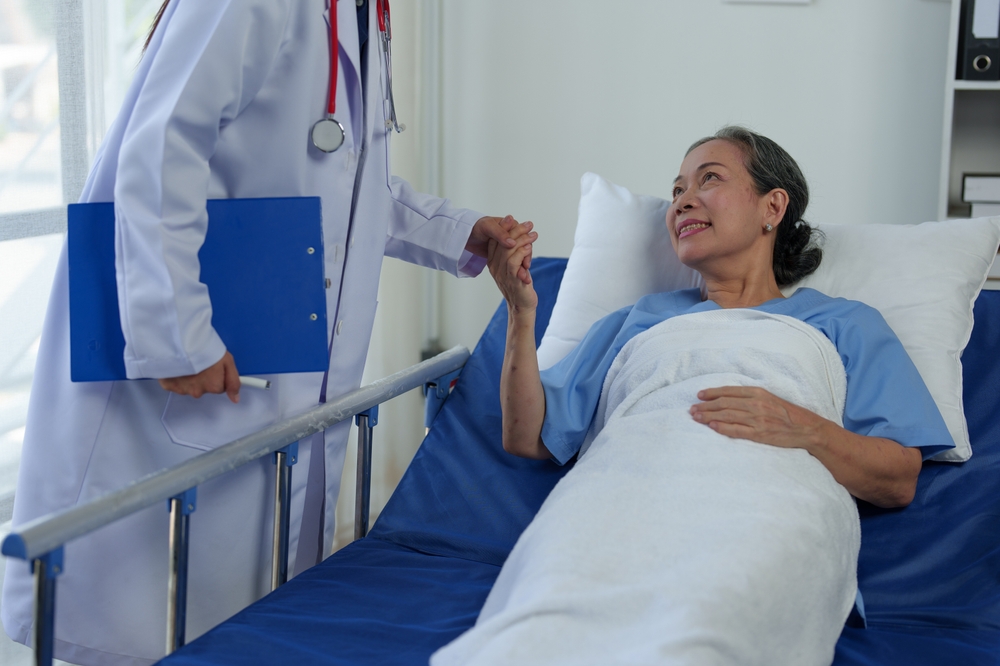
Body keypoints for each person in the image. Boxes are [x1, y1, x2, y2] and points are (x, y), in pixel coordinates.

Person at [1, 1, 534, 664]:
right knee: (139, 627)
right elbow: (161, 147)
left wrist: (461, 230)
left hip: (267, 387)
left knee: (242, 624)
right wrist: (177, 332)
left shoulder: (360, 16)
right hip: (195, 377)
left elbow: (350, 188)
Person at [432, 127, 956, 665]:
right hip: (616, 491)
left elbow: (898, 478)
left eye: (709, 180)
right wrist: (521, 314)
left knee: (707, 623)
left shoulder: (844, 324)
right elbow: (525, 436)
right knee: (545, 620)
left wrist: (804, 428)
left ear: (772, 206)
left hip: (769, 499)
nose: (683, 199)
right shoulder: (637, 320)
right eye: (678, 188)